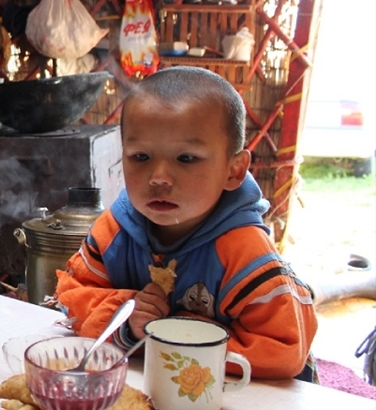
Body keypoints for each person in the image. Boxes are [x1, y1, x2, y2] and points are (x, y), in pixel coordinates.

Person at [55, 66, 318, 380]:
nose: (159, 178)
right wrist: (128, 316)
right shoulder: (114, 230)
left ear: (233, 171)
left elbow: (286, 348)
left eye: (186, 159)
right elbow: (72, 296)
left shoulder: (244, 251)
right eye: (141, 157)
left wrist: (177, 334)